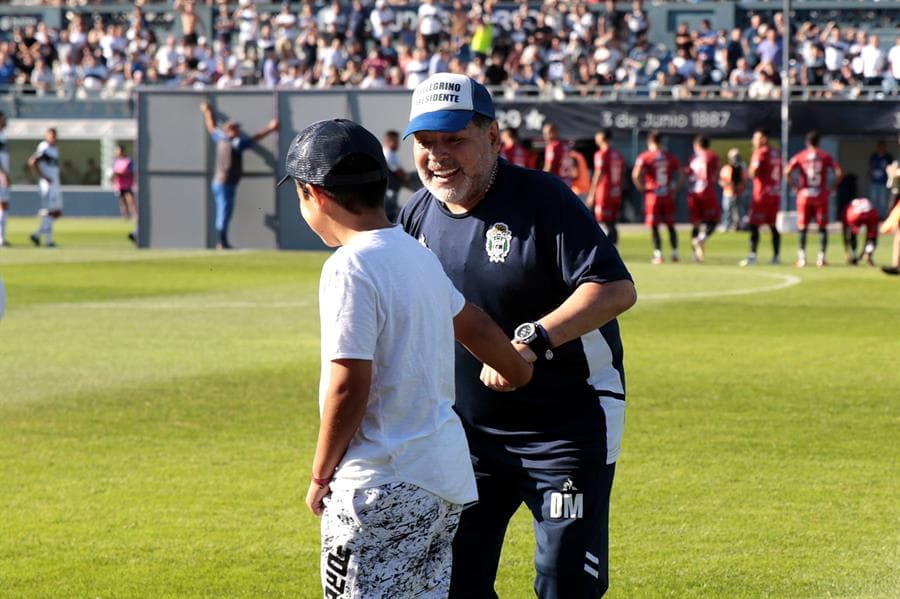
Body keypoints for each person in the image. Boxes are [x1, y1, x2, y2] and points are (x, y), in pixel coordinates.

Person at [398, 73, 637, 599]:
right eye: (425, 142)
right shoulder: (415, 215)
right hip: (468, 434)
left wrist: (531, 340)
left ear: (493, 137)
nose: (437, 156)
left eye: (453, 139)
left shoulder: (543, 199)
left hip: (566, 427)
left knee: (564, 582)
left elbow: (614, 289)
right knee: (453, 581)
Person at [281, 118, 533, 598]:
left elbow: (349, 383)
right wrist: (519, 370)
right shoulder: (415, 252)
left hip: (380, 482)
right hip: (442, 479)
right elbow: (474, 323)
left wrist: (320, 473)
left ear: (315, 194)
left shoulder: (349, 265)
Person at [200, 101, 278, 249]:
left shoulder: (221, 139)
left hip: (219, 182)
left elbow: (212, 128)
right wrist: (271, 128)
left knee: (223, 212)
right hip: (226, 183)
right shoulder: (236, 143)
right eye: (235, 129)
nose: (238, 131)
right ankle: (221, 242)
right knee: (224, 212)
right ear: (229, 130)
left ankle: (221, 241)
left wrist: (207, 112)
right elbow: (254, 138)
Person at [786, 130, 843, 267]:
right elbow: (839, 172)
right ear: (819, 142)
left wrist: (795, 187)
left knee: (802, 227)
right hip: (820, 194)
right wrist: (832, 188)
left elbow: (787, 172)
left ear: (807, 142)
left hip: (804, 195)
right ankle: (821, 258)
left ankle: (802, 258)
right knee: (822, 227)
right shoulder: (825, 156)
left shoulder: (801, 156)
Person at [632, 130, 683, 264]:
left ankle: (658, 255)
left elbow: (635, 175)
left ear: (650, 142)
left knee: (654, 226)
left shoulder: (645, 156)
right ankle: (675, 253)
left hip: (653, 195)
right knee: (670, 225)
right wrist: (675, 188)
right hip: (667, 194)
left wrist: (642, 188)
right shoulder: (669, 156)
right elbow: (681, 174)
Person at [742, 128, 782, 266]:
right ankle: (776, 257)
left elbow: (754, 173)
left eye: (757, 138)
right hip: (775, 193)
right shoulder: (776, 153)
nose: (754, 141)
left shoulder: (760, 153)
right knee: (772, 226)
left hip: (762, 195)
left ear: (764, 139)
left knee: (754, 225)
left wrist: (748, 172)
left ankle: (752, 256)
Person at [686, 135, 721, 262]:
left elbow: (688, 173)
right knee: (715, 219)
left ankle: (695, 255)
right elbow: (717, 174)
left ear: (697, 145)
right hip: (707, 191)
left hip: (693, 193)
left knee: (696, 223)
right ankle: (702, 238)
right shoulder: (712, 156)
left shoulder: (693, 158)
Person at [587, 129, 625, 246]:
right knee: (612, 223)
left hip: (604, 192)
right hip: (616, 192)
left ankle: (606, 249)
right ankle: (615, 247)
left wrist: (591, 194)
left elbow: (598, 174)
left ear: (602, 137)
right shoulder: (618, 154)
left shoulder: (601, 154)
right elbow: (623, 174)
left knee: (602, 221)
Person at [28, 127, 62, 248]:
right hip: (48, 184)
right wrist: (43, 177)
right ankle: (49, 241)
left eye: (55, 135)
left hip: (55, 183)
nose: (54, 138)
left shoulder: (55, 149)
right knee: (50, 212)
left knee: (57, 212)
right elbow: (32, 161)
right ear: (46, 136)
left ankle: (37, 235)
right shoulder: (44, 147)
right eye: (51, 135)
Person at [381, 129, 412, 222]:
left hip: (392, 189)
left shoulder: (391, 154)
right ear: (388, 141)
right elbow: (399, 172)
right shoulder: (388, 154)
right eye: (395, 141)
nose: (398, 144)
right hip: (390, 190)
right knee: (390, 212)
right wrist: (407, 179)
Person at [110, 144, 138, 243]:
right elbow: (113, 172)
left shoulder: (128, 161)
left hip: (128, 184)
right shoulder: (115, 161)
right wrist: (112, 178)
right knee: (122, 202)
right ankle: (125, 217)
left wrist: (122, 173)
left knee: (130, 201)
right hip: (119, 185)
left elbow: (131, 171)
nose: (118, 152)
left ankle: (135, 216)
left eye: (119, 151)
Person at [842, 197, 879, 266]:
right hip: (871, 212)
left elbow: (845, 232)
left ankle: (853, 255)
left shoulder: (848, 208)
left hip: (854, 214)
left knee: (852, 233)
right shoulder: (867, 202)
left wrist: (847, 250)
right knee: (872, 235)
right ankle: (868, 252)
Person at [719, 148, 748, 232]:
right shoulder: (726, 168)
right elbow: (721, 180)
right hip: (728, 192)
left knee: (739, 210)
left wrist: (739, 187)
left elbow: (744, 180)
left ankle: (738, 225)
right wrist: (727, 184)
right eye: (734, 157)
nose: (735, 159)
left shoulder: (742, 167)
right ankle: (726, 225)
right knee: (727, 210)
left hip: (738, 193)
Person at [869, 140, 893, 217]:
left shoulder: (888, 157)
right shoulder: (874, 156)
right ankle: (874, 216)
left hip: (883, 182)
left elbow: (891, 168)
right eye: (880, 146)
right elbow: (870, 167)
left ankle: (882, 217)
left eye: (883, 146)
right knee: (873, 200)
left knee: (883, 201)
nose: (881, 148)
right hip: (874, 181)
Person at [0, 112, 10, 247]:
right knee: (2, 205)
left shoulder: (3, 136)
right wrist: (2, 174)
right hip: (0, 176)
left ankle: (2, 236)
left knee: (4, 205)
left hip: (3, 175)